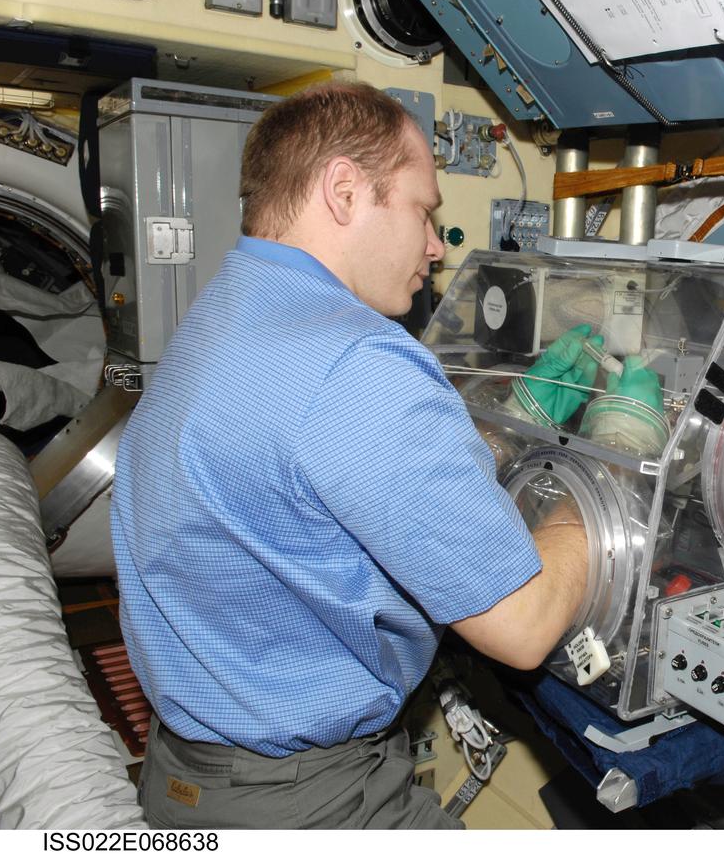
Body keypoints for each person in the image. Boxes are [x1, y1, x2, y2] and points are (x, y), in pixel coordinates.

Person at [111, 81, 591, 829]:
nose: (435, 245)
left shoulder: (225, 311)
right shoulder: (356, 358)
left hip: (191, 775)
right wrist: (605, 482)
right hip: (310, 803)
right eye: (423, 209)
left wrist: (502, 435)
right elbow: (523, 630)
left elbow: (322, 480)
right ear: (343, 190)